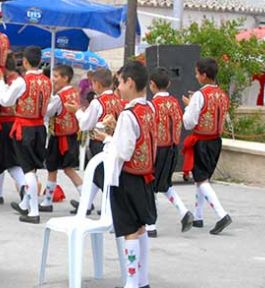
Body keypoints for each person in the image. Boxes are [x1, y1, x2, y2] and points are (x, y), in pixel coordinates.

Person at [95, 61, 157, 288]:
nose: (118, 87)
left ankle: (131, 281)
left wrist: (108, 138)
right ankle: (142, 280)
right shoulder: (149, 108)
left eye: (120, 82)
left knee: (130, 230)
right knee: (140, 229)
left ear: (130, 82)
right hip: (144, 177)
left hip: (127, 178)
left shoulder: (129, 114)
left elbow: (124, 150)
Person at [0, 46, 51, 224]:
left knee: (27, 170)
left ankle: (33, 211)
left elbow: (5, 101)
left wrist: (0, 82)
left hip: (24, 127)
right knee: (31, 168)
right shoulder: (47, 81)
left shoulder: (22, 81)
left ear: (25, 62)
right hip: (40, 127)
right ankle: (26, 204)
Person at [182, 57, 233, 235]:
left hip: (202, 140)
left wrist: (188, 106)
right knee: (201, 178)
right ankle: (198, 215)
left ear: (204, 75)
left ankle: (222, 214)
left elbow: (189, 122)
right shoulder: (222, 94)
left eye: (197, 73)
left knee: (201, 178)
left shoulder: (199, 95)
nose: (196, 76)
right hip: (216, 141)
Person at [65, 68, 123, 215]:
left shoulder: (98, 102)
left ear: (97, 84)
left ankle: (110, 211)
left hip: (99, 142)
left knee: (101, 176)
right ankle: (86, 205)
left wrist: (76, 111)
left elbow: (85, 124)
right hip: (113, 142)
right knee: (97, 176)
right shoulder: (117, 100)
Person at [146, 67, 194, 237]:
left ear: (151, 85)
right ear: (169, 84)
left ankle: (150, 225)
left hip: (157, 149)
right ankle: (183, 211)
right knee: (165, 184)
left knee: (149, 184)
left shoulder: (152, 105)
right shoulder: (175, 102)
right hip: (173, 148)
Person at [39, 65, 83, 212]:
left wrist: (47, 100)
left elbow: (48, 112)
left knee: (56, 168)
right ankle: (48, 200)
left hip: (59, 137)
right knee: (64, 169)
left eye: (56, 76)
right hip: (71, 136)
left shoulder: (59, 97)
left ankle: (49, 200)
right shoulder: (74, 92)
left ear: (65, 78)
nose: (53, 79)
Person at [0, 53, 26, 204]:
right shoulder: (20, 79)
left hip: (1, 123)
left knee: (2, 160)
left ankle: (22, 187)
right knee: (8, 160)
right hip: (13, 123)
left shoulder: (5, 82)